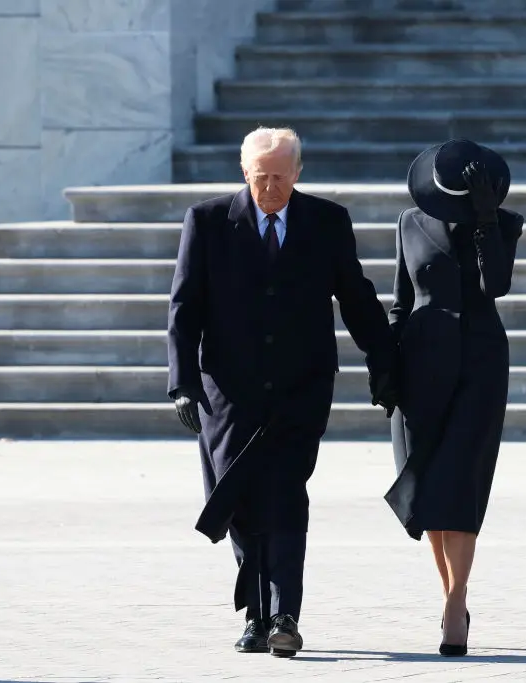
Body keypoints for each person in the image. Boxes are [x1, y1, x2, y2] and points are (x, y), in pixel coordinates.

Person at [166, 127, 398, 657]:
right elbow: (185, 307)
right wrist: (181, 383)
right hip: (228, 390)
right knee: (241, 501)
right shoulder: (206, 222)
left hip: (301, 387)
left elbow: (356, 297)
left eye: (279, 177)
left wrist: (384, 361)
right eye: (260, 176)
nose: (270, 187)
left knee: (286, 495)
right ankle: (255, 613)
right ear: (244, 172)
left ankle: (284, 615)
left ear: (298, 172)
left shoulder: (326, 221)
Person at [383, 139, 523, 657]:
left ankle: (454, 602)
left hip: (479, 367)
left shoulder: (503, 224)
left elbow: (497, 284)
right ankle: (451, 594)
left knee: (462, 486)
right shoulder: (408, 223)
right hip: (420, 369)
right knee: (430, 493)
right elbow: (401, 301)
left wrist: (486, 220)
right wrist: (386, 366)